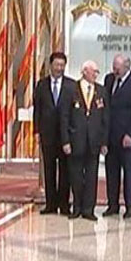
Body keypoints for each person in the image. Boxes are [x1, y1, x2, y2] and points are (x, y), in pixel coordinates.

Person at [60, 60, 109, 222]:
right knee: (75, 176)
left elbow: (105, 118)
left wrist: (104, 142)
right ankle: (77, 208)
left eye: (97, 72)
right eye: (94, 71)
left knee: (91, 177)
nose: (96, 74)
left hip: (94, 142)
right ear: (85, 71)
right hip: (75, 141)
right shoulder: (71, 89)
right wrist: (65, 141)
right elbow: (64, 117)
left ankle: (89, 209)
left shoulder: (101, 91)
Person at [102, 54, 131, 219]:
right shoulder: (109, 80)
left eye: (118, 68)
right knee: (112, 173)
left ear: (127, 66)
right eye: (114, 67)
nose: (115, 70)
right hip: (111, 137)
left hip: (128, 139)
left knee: (130, 174)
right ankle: (112, 205)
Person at [33, 52, 75, 215]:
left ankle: (64, 204)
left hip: (65, 136)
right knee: (49, 170)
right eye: (57, 65)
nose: (59, 68)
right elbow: (37, 110)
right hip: (48, 135)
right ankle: (51, 204)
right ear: (50, 65)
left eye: (62, 65)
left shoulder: (71, 86)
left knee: (65, 172)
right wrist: (37, 131)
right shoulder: (41, 85)